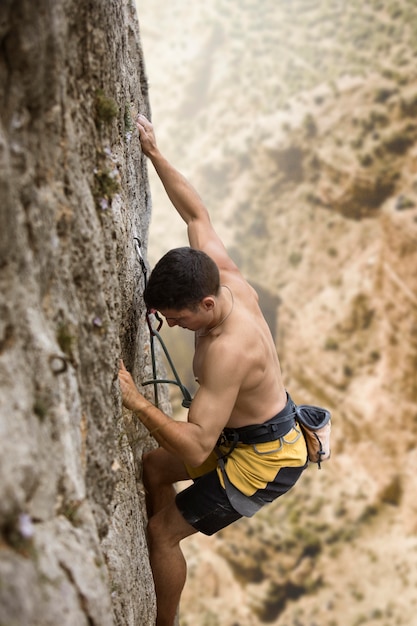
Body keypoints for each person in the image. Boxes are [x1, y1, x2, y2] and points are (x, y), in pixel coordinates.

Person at [118, 114, 308, 626]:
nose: (173, 326)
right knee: (156, 467)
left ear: (204, 305)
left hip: (263, 461)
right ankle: (162, 548)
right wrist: (155, 154)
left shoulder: (229, 350)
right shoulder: (217, 271)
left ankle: (165, 619)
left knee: (163, 533)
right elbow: (194, 210)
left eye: (178, 318)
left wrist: (136, 402)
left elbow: (199, 444)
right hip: (245, 434)